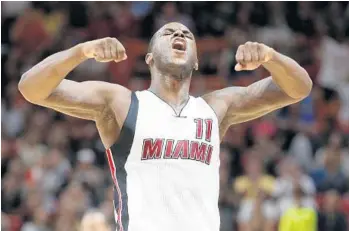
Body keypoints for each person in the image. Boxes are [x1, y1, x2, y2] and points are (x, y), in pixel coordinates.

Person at [18, 22, 312, 231]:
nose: (178, 35)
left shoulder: (215, 108)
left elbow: (298, 88)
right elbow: (32, 88)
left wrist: (271, 57)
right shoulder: (121, 104)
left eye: (186, 33)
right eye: (168, 32)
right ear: (149, 58)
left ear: (196, 61)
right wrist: (82, 51)